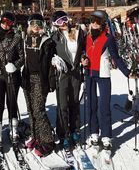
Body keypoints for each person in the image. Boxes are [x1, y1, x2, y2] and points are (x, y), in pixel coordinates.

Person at [81, 10, 134, 154]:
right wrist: (83, 60)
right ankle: (94, 133)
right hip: (89, 74)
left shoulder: (108, 38)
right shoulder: (86, 37)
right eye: (92, 21)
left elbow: (116, 57)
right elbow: (83, 53)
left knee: (104, 107)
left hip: (103, 74)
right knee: (91, 105)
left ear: (102, 24)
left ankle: (106, 136)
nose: (94, 24)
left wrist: (127, 72)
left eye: (97, 22)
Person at [51, 10, 86, 150]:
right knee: (63, 105)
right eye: (60, 21)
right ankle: (64, 134)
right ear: (56, 24)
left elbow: (83, 50)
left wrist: (84, 57)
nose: (64, 23)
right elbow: (50, 54)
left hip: (76, 72)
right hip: (62, 74)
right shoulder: (54, 37)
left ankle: (75, 131)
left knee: (74, 103)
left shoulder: (78, 33)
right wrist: (54, 60)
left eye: (64, 19)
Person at [22, 13, 56, 157]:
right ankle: (36, 136)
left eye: (39, 24)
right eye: (33, 24)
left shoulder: (47, 41)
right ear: (29, 25)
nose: (36, 27)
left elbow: (53, 59)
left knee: (38, 110)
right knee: (30, 109)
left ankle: (48, 141)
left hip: (40, 78)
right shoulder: (25, 39)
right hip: (27, 77)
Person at [0, 11, 24, 147]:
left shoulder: (17, 37)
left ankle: (13, 129)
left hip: (12, 74)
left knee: (12, 102)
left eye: (9, 23)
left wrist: (15, 66)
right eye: (4, 22)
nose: (6, 25)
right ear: (0, 21)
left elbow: (22, 57)